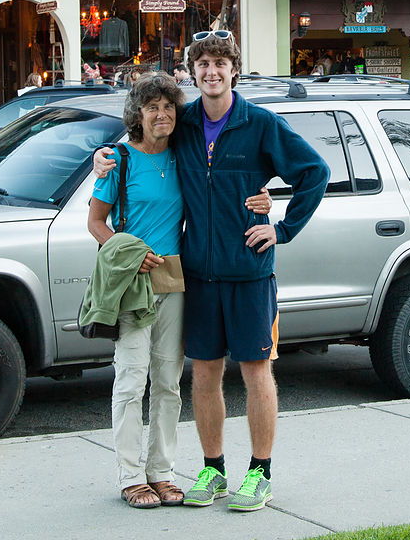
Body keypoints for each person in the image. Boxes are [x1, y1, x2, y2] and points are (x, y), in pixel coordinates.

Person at [95, 31, 329, 513]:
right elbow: (140, 142)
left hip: (248, 273)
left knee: (256, 371)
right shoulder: (182, 125)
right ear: (193, 72)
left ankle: (260, 473)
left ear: (234, 70)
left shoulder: (260, 124)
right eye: (202, 63)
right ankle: (213, 468)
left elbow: (316, 172)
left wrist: (281, 227)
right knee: (202, 374)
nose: (211, 70)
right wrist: (105, 155)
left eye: (220, 62)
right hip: (195, 275)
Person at [87, 73, 273, 509]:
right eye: (151, 107)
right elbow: (96, 223)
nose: (161, 114)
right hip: (133, 281)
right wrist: (128, 251)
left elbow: (224, 185)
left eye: (168, 107)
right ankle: (131, 476)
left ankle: (163, 472)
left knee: (168, 383)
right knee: (131, 381)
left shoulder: (184, 155)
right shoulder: (119, 160)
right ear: (137, 114)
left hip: (176, 280)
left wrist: (264, 197)